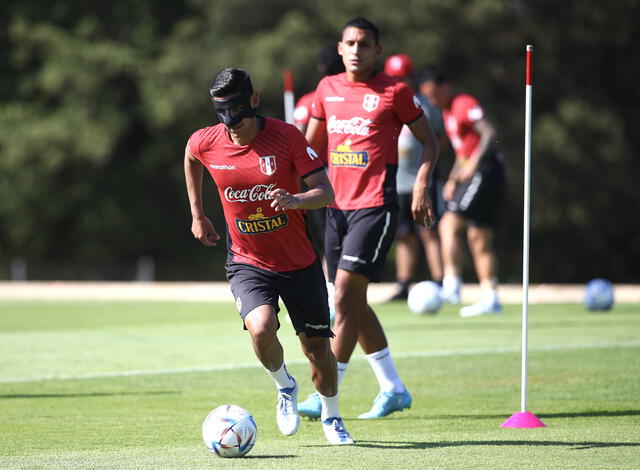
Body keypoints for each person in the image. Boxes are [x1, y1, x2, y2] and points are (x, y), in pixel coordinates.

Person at [183, 67, 353, 444]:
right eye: (224, 115)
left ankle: (332, 415)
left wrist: (295, 200)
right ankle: (284, 386)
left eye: (239, 113)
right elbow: (191, 155)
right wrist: (198, 214)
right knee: (260, 327)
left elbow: (326, 192)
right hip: (247, 260)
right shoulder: (208, 140)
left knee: (317, 350)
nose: (233, 123)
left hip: (298, 262)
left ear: (254, 101)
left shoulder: (287, 137)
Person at [299, 17, 439, 419]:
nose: (357, 50)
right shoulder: (327, 90)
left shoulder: (395, 92)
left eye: (365, 44)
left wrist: (422, 185)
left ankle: (328, 393)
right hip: (334, 210)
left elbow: (431, 141)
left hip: (375, 208)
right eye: (350, 43)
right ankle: (393, 388)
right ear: (340, 49)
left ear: (378, 51)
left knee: (342, 298)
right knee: (353, 303)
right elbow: (308, 151)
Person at [420, 67, 506, 317]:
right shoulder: (447, 112)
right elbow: (463, 151)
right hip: (476, 173)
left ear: (446, 86)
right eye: (429, 97)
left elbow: (488, 133)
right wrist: (453, 179)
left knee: (449, 224)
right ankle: (491, 298)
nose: (433, 100)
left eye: (435, 94)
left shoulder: (463, 103)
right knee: (478, 238)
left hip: (486, 172)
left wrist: (474, 167)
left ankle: (452, 287)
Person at [383, 54, 446, 301]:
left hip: (422, 182)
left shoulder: (424, 106)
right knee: (403, 235)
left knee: (429, 232)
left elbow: (437, 139)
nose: (398, 81)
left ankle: (441, 282)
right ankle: (403, 284)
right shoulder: (384, 103)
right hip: (397, 183)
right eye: (394, 77)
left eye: (403, 77)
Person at [293, 42, 345, 277]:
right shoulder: (350, 99)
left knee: (324, 235)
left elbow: (298, 141)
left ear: (321, 67)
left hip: (316, 178)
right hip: (349, 174)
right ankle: (330, 282)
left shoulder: (308, 101)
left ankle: (329, 283)